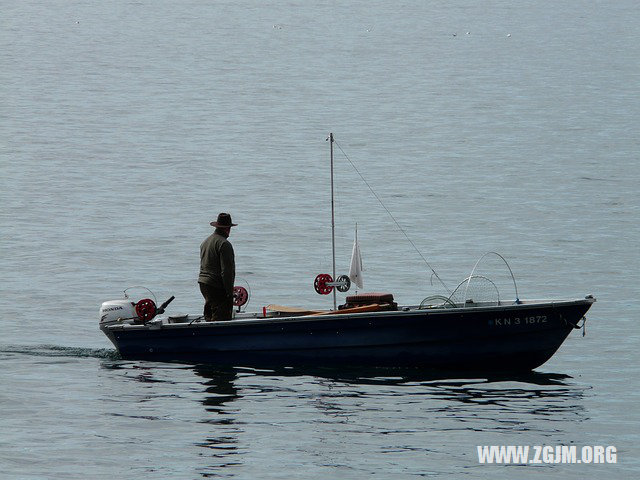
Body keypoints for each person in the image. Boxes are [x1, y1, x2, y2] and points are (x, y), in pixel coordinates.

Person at [198, 213, 237, 321]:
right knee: (221, 316)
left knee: (209, 313)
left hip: (203, 284)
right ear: (228, 229)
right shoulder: (224, 244)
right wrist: (229, 293)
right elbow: (227, 272)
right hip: (216, 285)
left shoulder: (205, 242)